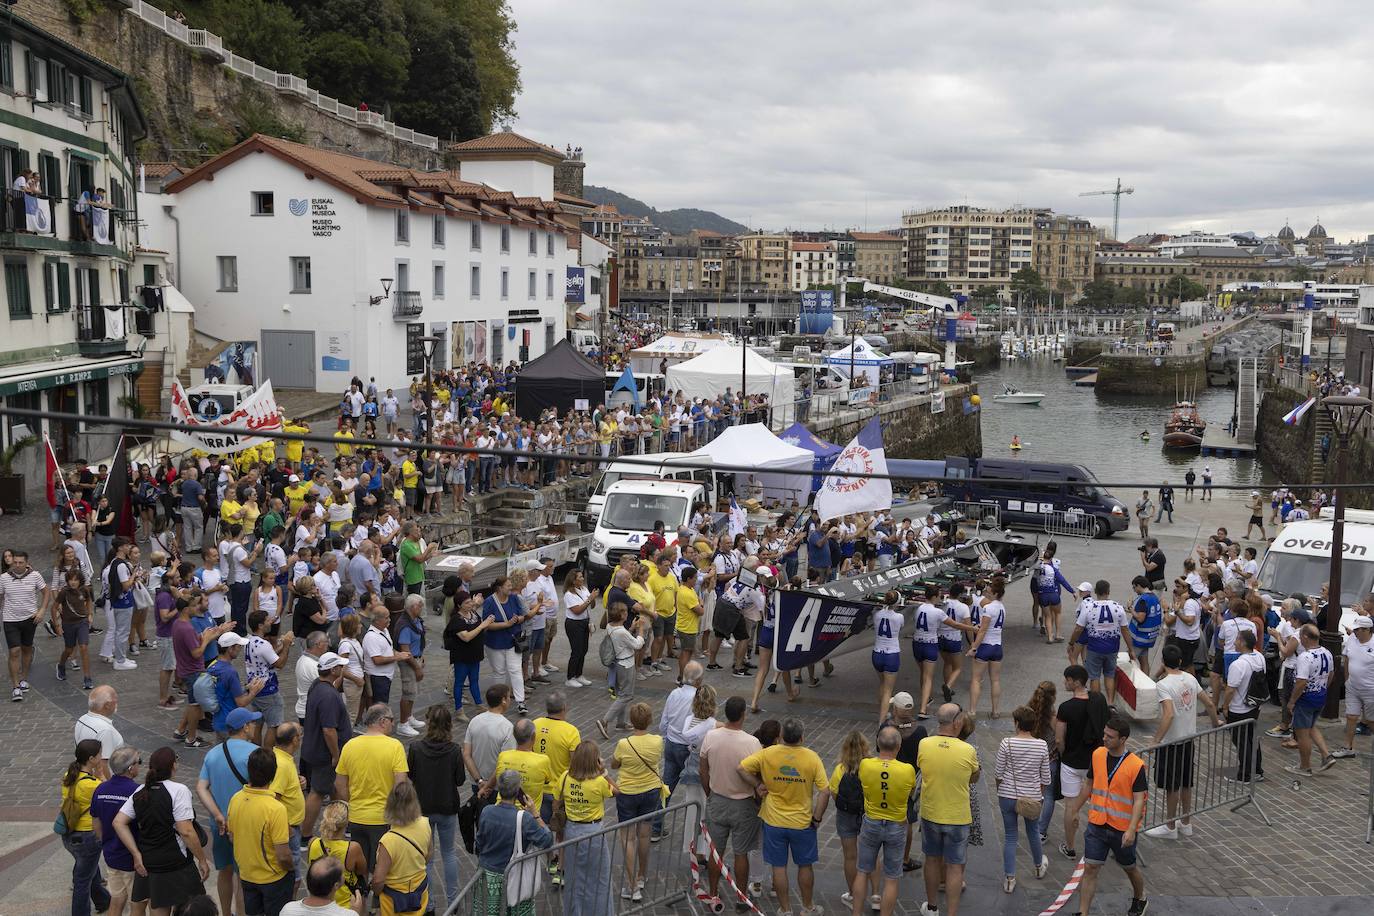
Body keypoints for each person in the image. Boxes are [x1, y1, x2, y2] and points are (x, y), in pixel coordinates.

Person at [738, 717, 829, 916]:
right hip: (802, 822)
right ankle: (808, 907)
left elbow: (741, 768)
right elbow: (825, 791)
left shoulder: (767, 753)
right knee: (805, 865)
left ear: (781, 737)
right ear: (802, 737)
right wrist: (817, 818)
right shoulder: (811, 758)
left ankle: (785, 909)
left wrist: (757, 785)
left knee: (779, 867)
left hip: (774, 820)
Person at [113, 746, 210, 916]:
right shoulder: (179, 791)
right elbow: (186, 831)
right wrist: (202, 859)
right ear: (173, 765)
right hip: (177, 863)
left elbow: (118, 822)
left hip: (150, 863)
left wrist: (136, 854)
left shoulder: (140, 791)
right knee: (192, 909)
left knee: (158, 910)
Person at [1145, 644, 1219, 840]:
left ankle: (1169, 826)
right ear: (1180, 661)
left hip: (1172, 742)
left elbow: (1168, 714)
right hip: (1188, 738)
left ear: (1163, 662)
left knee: (1172, 785)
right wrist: (1215, 723)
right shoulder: (1191, 678)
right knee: (1186, 782)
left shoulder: (1163, 685)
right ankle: (1186, 822)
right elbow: (1210, 703)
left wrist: (1155, 740)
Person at [1076, 717, 1149, 916]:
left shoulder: (1136, 766)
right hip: (1097, 824)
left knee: (1129, 868)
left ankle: (1140, 897)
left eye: (1110, 736)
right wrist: (1074, 809)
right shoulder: (1098, 755)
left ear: (1123, 739)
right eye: (1104, 734)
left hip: (1121, 829)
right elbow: (1089, 784)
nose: (1104, 738)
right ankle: (1083, 912)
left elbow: (1139, 801)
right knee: (1090, 868)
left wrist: (1132, 830)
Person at [699, 695, 763, 912]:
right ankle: (742, 896)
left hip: (717, 799)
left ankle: (714, 893)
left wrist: (709, 791)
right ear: (743, 715)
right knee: (741, 852)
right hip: (743, 803)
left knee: (715, 852)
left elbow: (703, 768)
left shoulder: (711, 736)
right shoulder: (752, 743)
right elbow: (757, 774)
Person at [196, 706, 260, 916]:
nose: (254, 726)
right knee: (243, 877)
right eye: (252, 723)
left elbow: (201, 787)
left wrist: (217, 815)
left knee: (224, 870)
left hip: (220, 825)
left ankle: (225, 913)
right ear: (245, 727)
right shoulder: (254, 754)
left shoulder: (214, 753)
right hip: (245, 825)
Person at [335, 704, 409, 870]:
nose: (393, 723)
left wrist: (351, 805)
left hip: (356, 817)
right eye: (391, 720)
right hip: (382, 818)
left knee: (359, 867)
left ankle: (360, 894)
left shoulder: (350, 746)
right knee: (381, 868)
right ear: (382, 721)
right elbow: (401, 784)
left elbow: (340, 785)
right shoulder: (394, 746)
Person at [853, 726, 916, 916]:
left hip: (872, 821)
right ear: (898, 746)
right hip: (896, 824)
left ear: (878, 745)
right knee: (891, 878)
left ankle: (856, 913)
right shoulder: (907, 770)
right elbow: (911, 793)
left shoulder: (865, 765)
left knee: (863, 871)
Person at [475, 770, 553, 915]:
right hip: (513, 879)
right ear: (518, 791)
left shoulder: (487, 811)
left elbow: (479, 843)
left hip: (488, 876)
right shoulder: (524, 819)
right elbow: (547, 840)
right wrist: (535, 814)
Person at [554, 740, 618, 916]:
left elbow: (556, 801)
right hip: (593, 832)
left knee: (574, 878)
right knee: (599, 878)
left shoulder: (565, 777)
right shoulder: (598, 782)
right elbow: (617, 791)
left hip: (571, 830)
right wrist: (604, 772)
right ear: (595, 761)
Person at [227, 748, 293, 916]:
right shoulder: (275, 808)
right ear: (273, 775)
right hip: (273, 878)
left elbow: (232, 836)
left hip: (247, 875)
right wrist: (290, 869)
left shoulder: (235, 799)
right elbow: (283, 855)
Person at [993, 707, 1051, 894]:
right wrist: (1036, 794)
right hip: (1032, 797)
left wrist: (1000, 789)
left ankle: (1009, 878)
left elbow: (998, 772)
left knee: (1011, 836)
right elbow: (1046, 779)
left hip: (1008, 795)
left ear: (1017, 723)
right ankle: (1038, 867)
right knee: (1033, 832)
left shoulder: (1006, 743)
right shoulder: (1042, 745)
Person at [610, 702, 663, 902]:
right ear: (649, 720)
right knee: (644, 835)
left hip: (628, 793)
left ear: (631, 722)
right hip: (650, 791)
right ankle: (642, 875)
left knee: (627, 838)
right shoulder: (657, 741)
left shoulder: (624, 744)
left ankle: (632, 886)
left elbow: (615, 764)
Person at [1055, 664, 1108, 860]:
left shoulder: (1066, 708)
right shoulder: (1098, 700)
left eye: (1067, 679)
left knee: (1071, 806)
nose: (1065, 682)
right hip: (1094, 762)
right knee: (1098, 803)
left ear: (1075, 682)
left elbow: (1059, 739)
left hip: (1071, 762)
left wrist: (1063, 753)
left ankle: (1070, 847)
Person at [301, 652, 352, 840]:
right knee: (318, 792)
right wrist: (336, 755)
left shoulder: (318, 686)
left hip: (313, 748)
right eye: (339, 666)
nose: (342, 669)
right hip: (325, 754)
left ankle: (342, 824)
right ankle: (305, 836)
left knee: (337, 788)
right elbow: (329, 730)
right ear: (333, 670)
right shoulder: (329, 696)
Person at [61, 738, 112, 916]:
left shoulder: (70, 776)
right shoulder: (91, 784)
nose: (102, 756)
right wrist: (101, 775)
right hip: (87, 836)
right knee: (82, 881)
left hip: (69, 834)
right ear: (91, 758)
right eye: (99, 754)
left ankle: (103, 900)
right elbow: (108, 793)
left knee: (87, 867)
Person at [91, 746, 142, 916]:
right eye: (138, 762)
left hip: (111, 854)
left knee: (117, 899)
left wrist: (105, 841)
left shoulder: (101, 789)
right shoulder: (136, 791)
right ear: (130, 768)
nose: (139, 766)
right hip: (133, 858)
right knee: (137, 903)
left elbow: (95, 822)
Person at [370, 781, 431, 916]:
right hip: (419, 894)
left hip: (394, 901)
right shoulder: (425, 823)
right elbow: (428, 856)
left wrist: (375, 890)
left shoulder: (388, 840)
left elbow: (379, 880)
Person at [1067, 580, 1131, 706]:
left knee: (1094, 676)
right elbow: (1124, 630)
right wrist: (1131, 649)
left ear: (1095, 592)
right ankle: (1110, 703)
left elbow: (1078, 628)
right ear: (1108, 592)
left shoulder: (1089, 607)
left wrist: (1071, 643)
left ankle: (1096, 704)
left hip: (1095, 646)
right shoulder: (1117, 607)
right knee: (1109, 675)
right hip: (1112, 647)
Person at [1285, 624, 1336, 777]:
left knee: (1302, 733)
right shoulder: (1326, 652)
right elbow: (1331, 673)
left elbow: (1301, 682)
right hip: (1320, 695)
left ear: (1306, 637)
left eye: (1300, 636)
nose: (1299, 639)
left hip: (1306, 698)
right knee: (1311, 726)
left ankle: (1305, 766)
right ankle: (1326, 755)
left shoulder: (1305, 657)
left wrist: (1292, 701)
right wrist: (1324, 687)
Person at [1219, 629, 1266, 784]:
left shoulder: (1238, 665)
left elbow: (1230, 689)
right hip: (1254, 705)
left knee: (1241, 742)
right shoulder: (1259, 657)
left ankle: (1245, 775)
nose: (1234, 642)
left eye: (1237, 639)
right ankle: (1257, 770)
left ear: (1243, 643)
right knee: (1252, 739)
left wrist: (1225, 707)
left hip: (1239, 708)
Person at [1, 549, 48, 701]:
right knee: (14, 651)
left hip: (30, 619)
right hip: (10, 619)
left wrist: (41, 611)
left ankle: (23, 678)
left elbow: (46, 592)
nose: (18, 565)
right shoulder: (4, 578)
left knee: (26, 648)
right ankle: (15, 687)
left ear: (27, 563)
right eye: (15, 562)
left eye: (21, 563)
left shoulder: (35, 576)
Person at [305, 804, 369, 914]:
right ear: (346, 823)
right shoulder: (352, 848)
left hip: (320, 904)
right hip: (345, 905)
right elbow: (362, 871)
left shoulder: (313, 843)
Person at [482, 576, 532, 715]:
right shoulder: (490, 602)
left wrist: (519, 619)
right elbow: (487, 624)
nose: (511, 588)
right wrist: (507, 624)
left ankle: (520, 702)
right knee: (499, 672)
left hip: (512, 641)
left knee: (515, 670)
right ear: (499, 588)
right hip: (495, 642)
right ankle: (497, 701)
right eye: (508, 586)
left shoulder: (514, 598)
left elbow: (524, 616)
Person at [596, 603, 648, 737]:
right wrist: (641, 629)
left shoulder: (611, 626)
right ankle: (605, 720)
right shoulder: (621, 632)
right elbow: (637, 645)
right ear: (621, 615)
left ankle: (621, 723)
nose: (627, 613)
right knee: (626, 696)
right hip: (626, 665)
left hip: (618, 664)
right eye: (625, 612)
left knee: (621, 695)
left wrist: (631, 628)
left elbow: (623, 640)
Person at [463, 685, 516, 803]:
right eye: (508, 697)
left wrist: (479, 781)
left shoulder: (474, 721)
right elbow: (504, 763)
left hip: (476, 783)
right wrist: (488, 786)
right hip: (496, 786)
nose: (509, 700)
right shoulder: (507, 727)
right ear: (503, 700)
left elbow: (466, 754)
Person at [966, 578, 1008, 718]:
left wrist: (973, 647)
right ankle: (995, 710)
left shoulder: (988, 608)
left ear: (995, 593)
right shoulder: (1002, 607)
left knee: (976, 679)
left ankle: (972, 710)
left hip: (985, 646)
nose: (988, 591)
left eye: (990, 590)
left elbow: (983, 630)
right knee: (995, 680)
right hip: (997, 646)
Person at [1333, 614, 1374, 758]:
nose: (1355, 632)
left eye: (1358, 630)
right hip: (1353, 687)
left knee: (1370, 720)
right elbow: (1347, 658)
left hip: (1371, 689)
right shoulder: (1352, 639)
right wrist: (1347, 680)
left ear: (1367, 630)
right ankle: (1348, 747)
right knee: (1351, 716)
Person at [52, 567, 96, 690]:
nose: (73, 582)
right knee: (69, 649)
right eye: (71, 579)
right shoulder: (64, 593)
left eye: (76, 580)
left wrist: (90, 614)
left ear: (80, 580)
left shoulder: (84, 590)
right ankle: (61, 665)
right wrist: (57, 626)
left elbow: (89, 602)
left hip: (82, 622)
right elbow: (54, 608)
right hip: (68, 624)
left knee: (84, 647)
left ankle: (87, 678)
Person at [362, 606, 410, 711]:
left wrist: (400, 654)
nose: (390, 620)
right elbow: (377, 660)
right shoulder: (371, 637)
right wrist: (397, 657)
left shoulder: (384, 630)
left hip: (385, 677)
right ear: (377, 620)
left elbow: (388, 648)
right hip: (378, 678)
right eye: (386, 618)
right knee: (380, 707)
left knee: (383, 704)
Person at [282, 856, 365, 916]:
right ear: (336, 885)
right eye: (342, 874)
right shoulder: (348, 914)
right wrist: (356, 912)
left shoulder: (288, 909)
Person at [393, 594, 427, 737]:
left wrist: (421, 656)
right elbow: (405, 651)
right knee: (408, 692)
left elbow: (418, 640)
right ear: (413, 607)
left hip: (416, 659)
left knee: (413, 691)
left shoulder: (415, 620)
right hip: (409, 663)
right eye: (420, 606)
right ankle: (402, 724)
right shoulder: (405, 626)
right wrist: (417, 667)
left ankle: (409, 717)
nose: (422, 608)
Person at [871, 591, 905, 720]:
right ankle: (882, 720)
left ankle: (883, 711)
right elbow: (900, 629)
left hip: (877, 653)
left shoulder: (877, 615)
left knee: (882, 684)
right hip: (891, 654)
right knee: (888, 690)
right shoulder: (899, 617)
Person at [76, 685, 124, 770]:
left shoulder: (82, 719)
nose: (117, 701)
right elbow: (102, 765)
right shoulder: (105, 730)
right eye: (115, 699)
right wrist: (108, 783)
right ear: (107, 705)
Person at [1127, 576, 1163, 673]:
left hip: (1139, 638)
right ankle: (1146, 682)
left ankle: (1131, 684)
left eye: (1134, 587)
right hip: (1149, 637)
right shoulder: (1154, 597)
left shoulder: (1143, 600)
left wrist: (1130, 608)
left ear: (1139, 586)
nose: (1134, 591)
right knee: (1144, 661)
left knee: (1130, 662)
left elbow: (1140, 618)